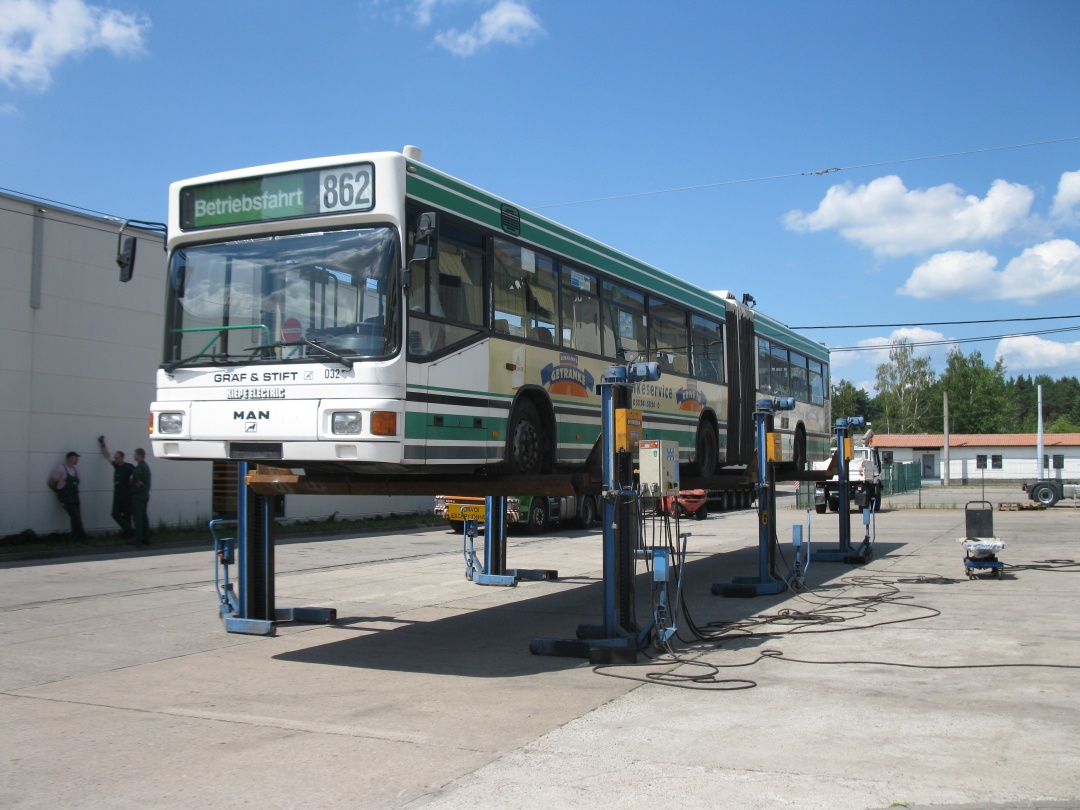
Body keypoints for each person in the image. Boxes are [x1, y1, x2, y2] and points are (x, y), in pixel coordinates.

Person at [98, 436, 135, 539]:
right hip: (117, 495)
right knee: (115, 514)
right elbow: (107, 456)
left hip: (126, 495)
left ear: (122, 457)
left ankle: (129, 534)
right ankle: (129, 530)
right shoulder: (116, 466)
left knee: (127, 515)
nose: (115, 459)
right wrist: (102, 444)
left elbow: (138, 475)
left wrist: (132, 482)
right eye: (115, 458)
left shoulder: (128, 467)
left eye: (117, 457)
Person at [48, 451, 88, 541]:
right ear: (71, 458)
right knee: (75, 515)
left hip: (74, 497)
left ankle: (76, 536)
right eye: (76, 457)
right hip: (66, 498)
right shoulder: (61, 469)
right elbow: (51, 482)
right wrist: (58, 492)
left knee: (76, 516)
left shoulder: (75, 470)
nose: (77, 459)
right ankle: (82, 536)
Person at [131, 448, 152, 545]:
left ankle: (137, 539)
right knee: (144, 517)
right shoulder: (146, 466)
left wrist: (133, 482)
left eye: (135, 454)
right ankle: (146, 538)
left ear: (140, 455)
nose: (133, 456)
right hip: (145, 494)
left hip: (139, 495)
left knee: (138, 518)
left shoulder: (140, 467)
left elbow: (135, 476)